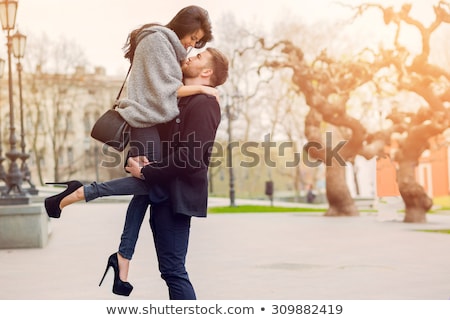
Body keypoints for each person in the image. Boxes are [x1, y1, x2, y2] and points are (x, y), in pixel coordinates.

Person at [46, 5, 216, 297]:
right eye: (194, 38)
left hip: (149, 125)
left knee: (147, 188)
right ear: (185, 25)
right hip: (146, 123)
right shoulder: (158, 40)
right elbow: (165, 91)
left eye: (198, 44)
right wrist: (204, 90)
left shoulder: (166, 45)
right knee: (147, 181)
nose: (192, 45)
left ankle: (122, 260)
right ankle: (79, 192)